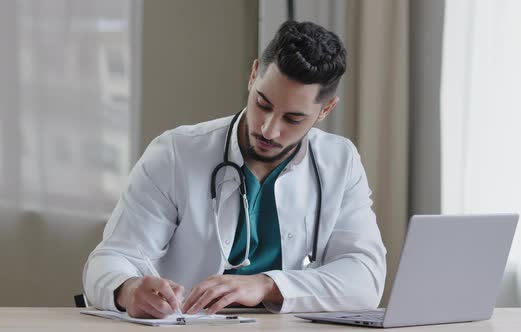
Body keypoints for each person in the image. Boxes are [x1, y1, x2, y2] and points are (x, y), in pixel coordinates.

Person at [83, 20, 386, 318]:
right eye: (263, 104)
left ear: (326, 110)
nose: (269, 130)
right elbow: (110, 260)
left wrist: (267, 285)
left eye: (292, 119)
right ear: (254, 75)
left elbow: (366, 277)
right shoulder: (176, 153)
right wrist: (129, 288)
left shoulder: (339, 162)